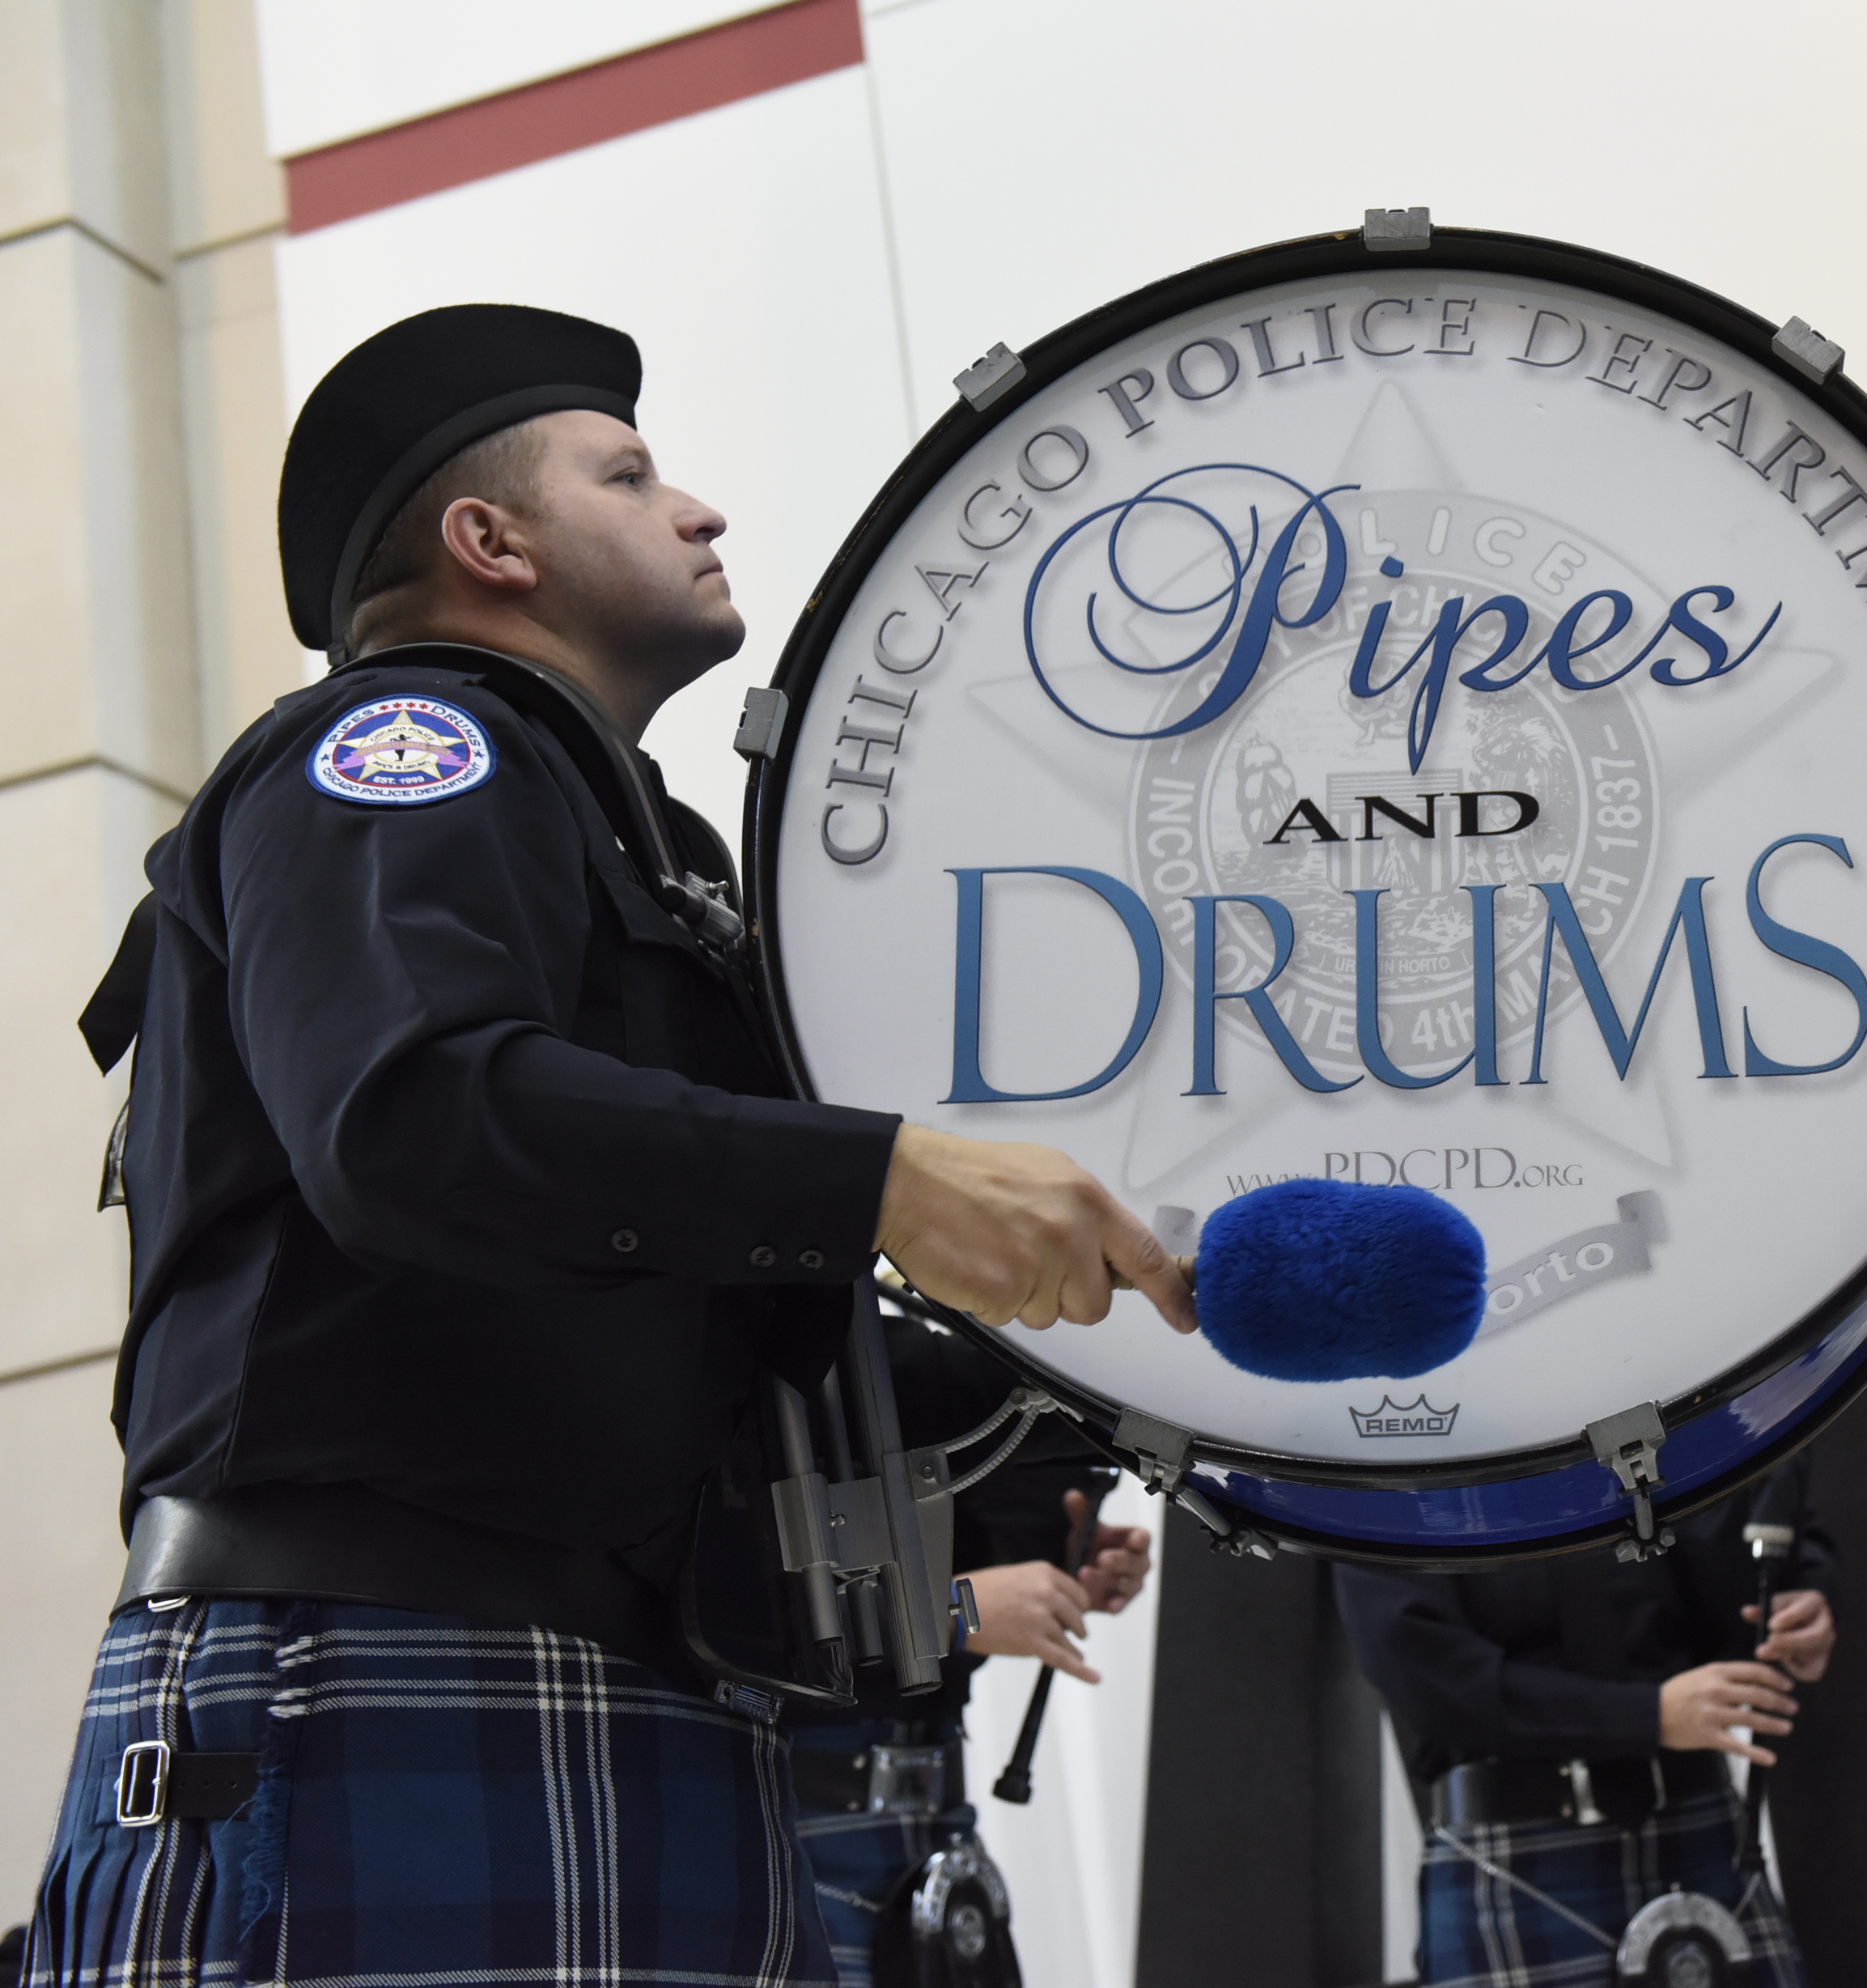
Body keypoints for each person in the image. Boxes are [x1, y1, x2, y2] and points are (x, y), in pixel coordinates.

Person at [23, 304, 1194, 1987]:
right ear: (486, 541)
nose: (699, 509)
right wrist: (875, 1175)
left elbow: (712, 1314)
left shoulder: (650, 853)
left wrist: (1146, 1360)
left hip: (632, 1687)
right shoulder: (405, 746)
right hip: (371, 1666)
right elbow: (412, 1115)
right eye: (631, 474)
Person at [1334, 1459, 1835, 1988]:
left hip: (1700, 1830)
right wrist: (1648, 1716)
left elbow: (1748, 1550)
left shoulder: (1650, 1404)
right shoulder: (1386, 1453)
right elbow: (1428, 1680)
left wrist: (1804, 1592)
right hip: (1512, 1857)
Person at [785, 1300, 1152, 1983]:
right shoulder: (779, 1328)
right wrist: (964, 1610)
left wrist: (1061, 1555)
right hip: (797, 1820)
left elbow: (952, 1497)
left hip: (936, 1820)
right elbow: (734, 1594)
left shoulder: (889, 1336)